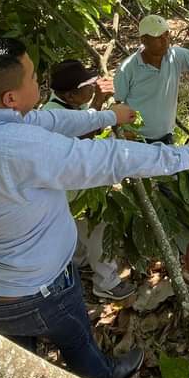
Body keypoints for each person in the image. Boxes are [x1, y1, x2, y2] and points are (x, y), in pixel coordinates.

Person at [0, 37, 189, 378]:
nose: (39, 84)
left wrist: (107, 117)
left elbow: (50, 120)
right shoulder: (16, 146)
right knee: (77, 341)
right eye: (32, 78)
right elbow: (106, 159)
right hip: (32, 291)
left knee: (21, 354)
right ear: (10, 97)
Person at [42, 58, 134, 302]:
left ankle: (80, 260)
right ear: (70, 95)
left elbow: (88, 124)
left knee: (81, 228)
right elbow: (81, 137)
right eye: (87, 87)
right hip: (73, 188)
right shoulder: (54, 115)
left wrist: (99, 104)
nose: (92, 88)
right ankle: (106, 281)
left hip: (74, 184)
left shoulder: (72, 104)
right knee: (98, 229)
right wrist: (103, 108)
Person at [114, 14, 189, 143]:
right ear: (144, 40)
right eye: (158, 37)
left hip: (166, 136)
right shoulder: (127, 68)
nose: (165, 40)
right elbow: (117, 103)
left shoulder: (175, 56)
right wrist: (123, 131)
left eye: (166, 34)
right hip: (136, 138)